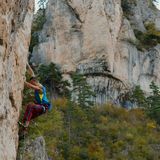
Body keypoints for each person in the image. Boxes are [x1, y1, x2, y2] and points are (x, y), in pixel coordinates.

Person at [19, 63, 51, 129]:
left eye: (32, 82)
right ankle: (24, 127)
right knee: (29, 109)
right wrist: (27, 64)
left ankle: (26, 125)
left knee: (31, 106)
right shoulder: (36, 83)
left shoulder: (41, 89)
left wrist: (24, 82)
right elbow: (32, 73)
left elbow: (33, 87)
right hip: (40, 107)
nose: (31, 83)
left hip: (44, 107)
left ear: (35, 82)